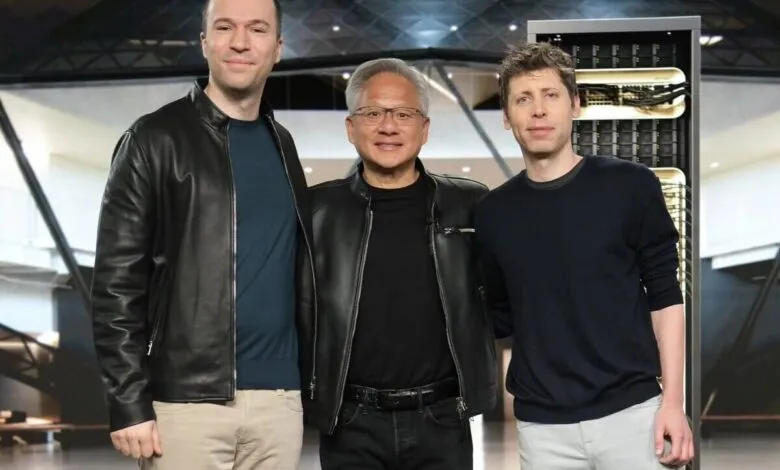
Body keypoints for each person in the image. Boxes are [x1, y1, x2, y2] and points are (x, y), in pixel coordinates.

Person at [89, 0, 315, 468]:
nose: (239, 42)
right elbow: (116, 284)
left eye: (256, 29)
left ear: (277, 48)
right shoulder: (154, 139)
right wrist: (128, 402)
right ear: (204, 42)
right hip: (186, 405)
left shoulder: (283, 143)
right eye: (224, 27)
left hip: (279, 402)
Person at [474, 42, 694, 469]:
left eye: (550, 96)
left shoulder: (631, 186)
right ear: (506, 116)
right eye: (523, 99)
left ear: (574, 105)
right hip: (543, 428)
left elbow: (666, 298)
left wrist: (673, 403)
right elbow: (501, 314)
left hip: (634, 416)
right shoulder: (492, 212)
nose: (538, 111)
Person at [300, 58, 497, 470]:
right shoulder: (316, 210)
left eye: (404, 114)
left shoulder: (470, 204)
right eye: (373, 113)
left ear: (424, 129)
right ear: (351, 127)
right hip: (350, 421)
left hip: (442, 418)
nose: (388, 127)